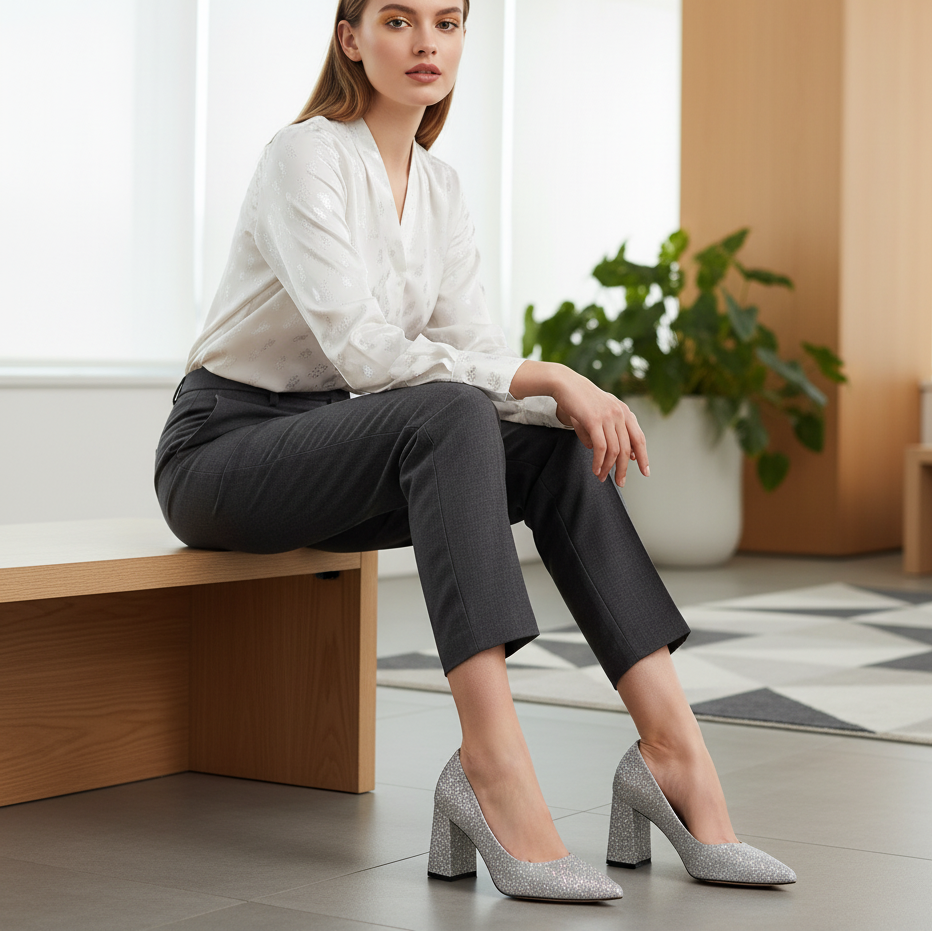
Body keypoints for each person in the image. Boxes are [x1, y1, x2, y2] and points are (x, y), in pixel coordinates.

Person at [155, 0, 795, 902]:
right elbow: (369, 355)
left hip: (345, 442)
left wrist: (556, 396)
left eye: (448, 23)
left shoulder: (441, 186)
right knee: (462, 410)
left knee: (552, 446)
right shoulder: (303, 156)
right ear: (351, 37)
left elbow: (471, 353)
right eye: (399, 19)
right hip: (224, 451)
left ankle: (673, 755)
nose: (426, 43)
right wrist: (551, 374)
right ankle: (492, 771)